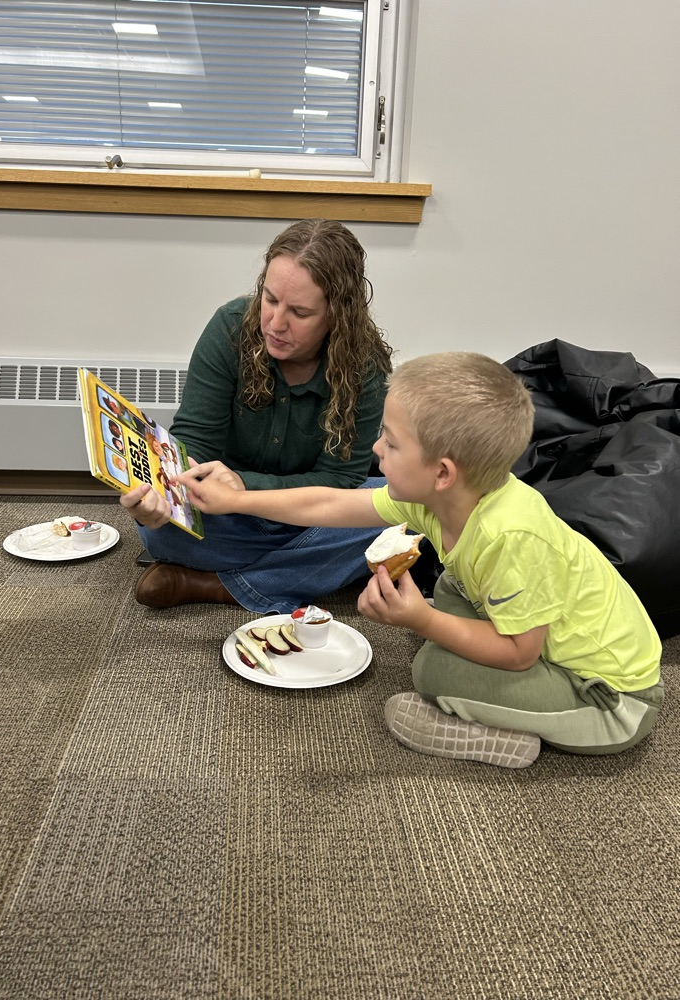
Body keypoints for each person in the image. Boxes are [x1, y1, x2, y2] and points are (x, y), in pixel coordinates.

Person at [177, 351, 665, 769]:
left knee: (432, 671)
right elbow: (329, 505)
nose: (375, 449)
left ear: (443, 472)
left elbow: (520, 654)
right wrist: (237, 500)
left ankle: (501, 738)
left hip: (609, 700)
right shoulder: (438, 498)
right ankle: (480, 681)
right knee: (451, 586)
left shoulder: (510, 535)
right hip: (543, 644)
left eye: (390, 441)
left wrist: (422, 620)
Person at [120, 219, 394, 613]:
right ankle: (303, 569)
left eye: (299, 312)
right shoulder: (230, 328)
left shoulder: (364, 365)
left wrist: (244, 488)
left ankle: (217, 585)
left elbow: (340, 481)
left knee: (410, 508)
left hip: (312, 511)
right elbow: (194, 441)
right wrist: (162, 498)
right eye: (269, 299)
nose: (275, 323)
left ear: (337, 315)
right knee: (160, 535)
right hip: (226, 513)